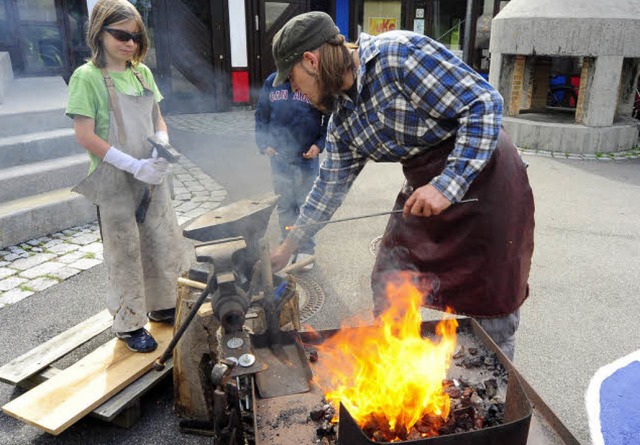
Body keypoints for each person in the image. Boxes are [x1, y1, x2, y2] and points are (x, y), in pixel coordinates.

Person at [268, 12, 535, 360]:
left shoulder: (396, 54)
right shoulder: (343, 122)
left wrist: (447, 186)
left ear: (311, 60)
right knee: (389, 277)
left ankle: (497, 386)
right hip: (426, 187)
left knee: (493, 299)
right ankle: (397, 369)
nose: (294, 90)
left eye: (292, 79)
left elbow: (484, 103)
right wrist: (289, 246)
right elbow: (326, 189)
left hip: (488, 178)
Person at [66, 0, 187, 353]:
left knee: (161, 242)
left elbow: (157, 118)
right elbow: (85, 135)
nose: (129, 43)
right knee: (124, 253)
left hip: (153, 176)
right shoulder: (85, 77)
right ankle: (129, 323)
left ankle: (162, 305)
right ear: (98, 33)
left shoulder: (141, 73)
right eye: (120, 35)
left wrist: (161, 144)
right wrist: (133, 165)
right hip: (114, 180)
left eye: (135, 37)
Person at [255, 71, 327, 271]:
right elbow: (261, 115)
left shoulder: (314, 79)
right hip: (278, 157)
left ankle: (305, 248)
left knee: (305, 202)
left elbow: (329, 117)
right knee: (285, 203)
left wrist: (319, 145)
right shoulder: (272, 81)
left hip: (306, 157)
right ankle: (287, 243)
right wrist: (264, 143)